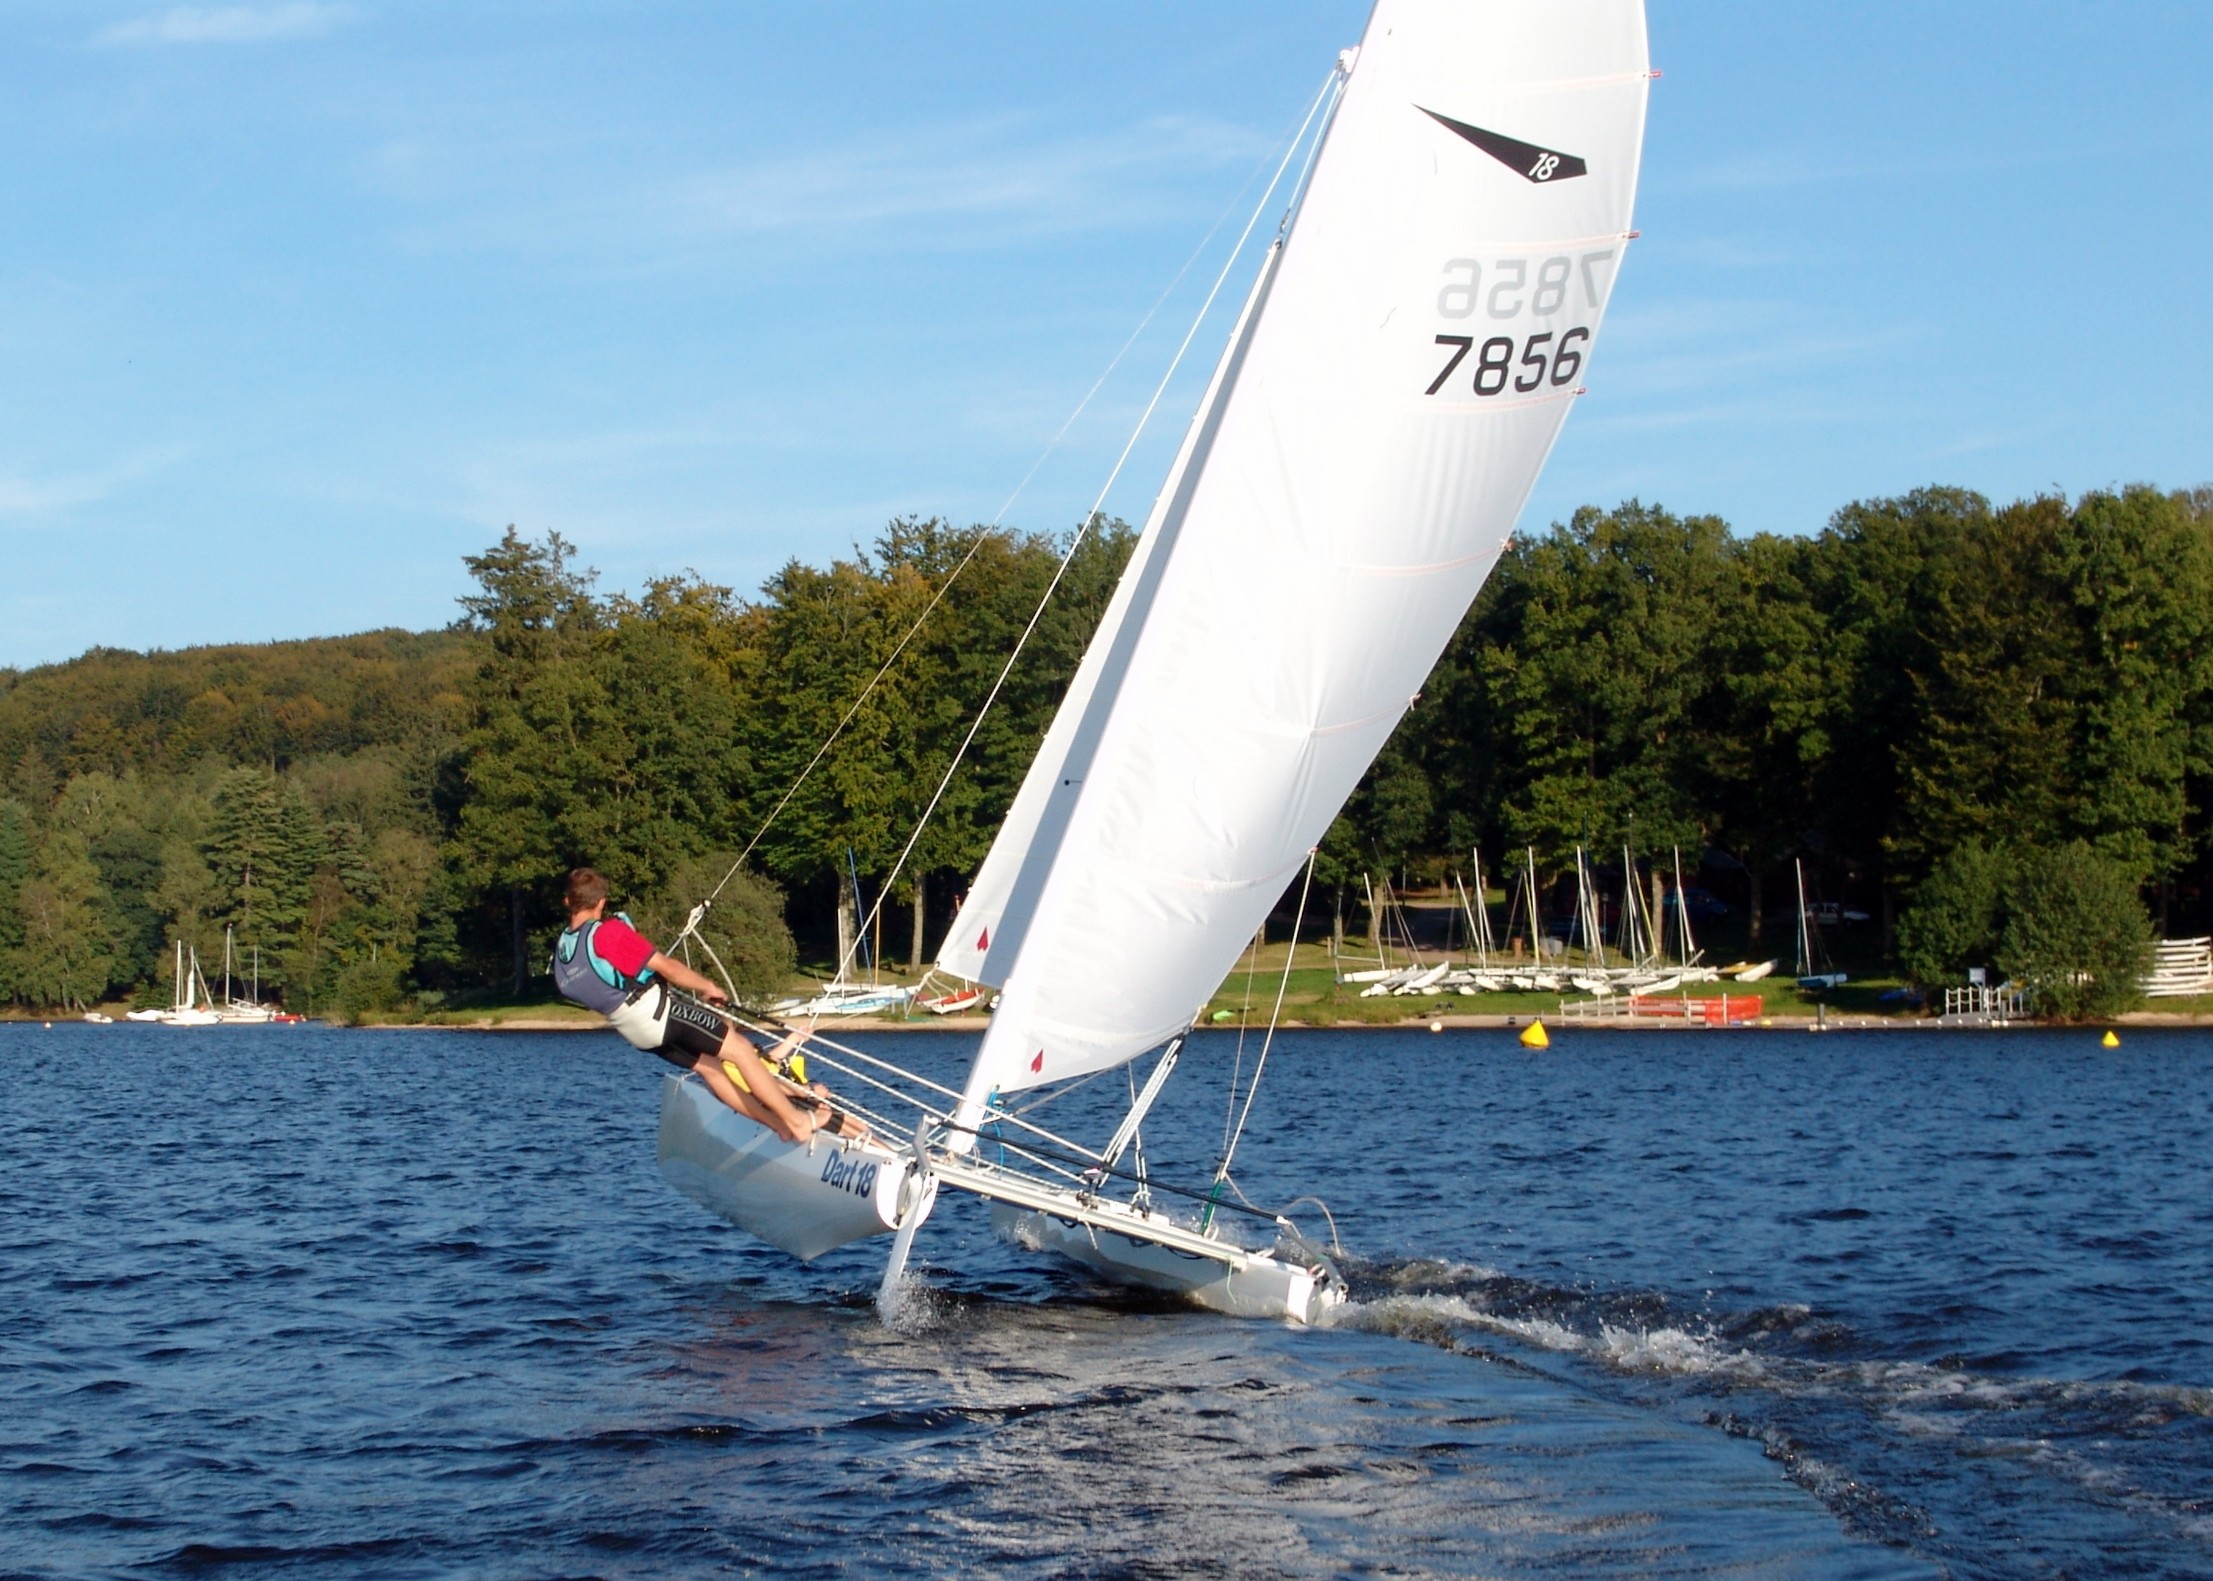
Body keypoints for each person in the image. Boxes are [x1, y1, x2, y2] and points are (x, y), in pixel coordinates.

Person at [551, 867, 859, 1144]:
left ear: (567, 901)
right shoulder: (607, 933)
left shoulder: (564, 949)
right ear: (601, 902)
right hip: (659, 1014)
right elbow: (668, 966)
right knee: (740, 1050)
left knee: (711, 1069)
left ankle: (779, 1126)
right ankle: (797, 1122)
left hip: (635, 1032)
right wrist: (707, 987)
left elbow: (579, 988)